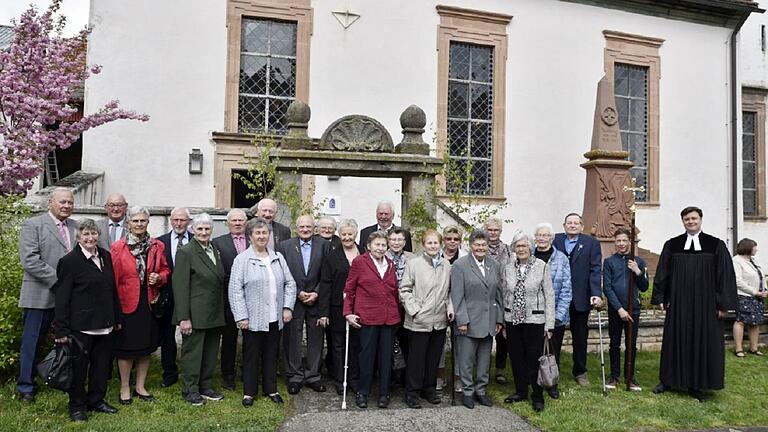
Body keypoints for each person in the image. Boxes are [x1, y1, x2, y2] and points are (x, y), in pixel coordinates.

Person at [651, 206, 738, 402]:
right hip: (679, 303)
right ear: (682, 222)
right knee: (675, 339)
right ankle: (668, 380)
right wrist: (661, 298)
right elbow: (663, 273)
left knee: (702, 341)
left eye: (694, 218)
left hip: (705, 305)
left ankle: (697, 384)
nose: (690, 222)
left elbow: (724, 276)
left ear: (701, 219)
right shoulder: (672, 245)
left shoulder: (715, 245)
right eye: (687, 219)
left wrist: (722, 304)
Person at [53, 218, 122, 421]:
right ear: (79, 237)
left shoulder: (106, 257)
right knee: (78, 370)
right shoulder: (69, 262)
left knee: (101, 367)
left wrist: (116, 317)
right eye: (86, 234)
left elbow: (112, 290)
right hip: (81, 327)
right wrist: (61, 330)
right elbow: (62, 297)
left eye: (93, 234)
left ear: (98, 236)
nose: (90, 238)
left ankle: (96, 400)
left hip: (105, 325)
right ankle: (77, 407)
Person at [17, 187, 77, 402]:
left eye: (70, 202)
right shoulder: (34, 225)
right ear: (50, 202)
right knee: (32, 341)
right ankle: (26, 386)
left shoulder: (75, 227)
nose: (67, 206)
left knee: (68, 341)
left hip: (68, 297)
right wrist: (60, 281)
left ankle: (62, 377)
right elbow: (30, 260)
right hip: (40, 293)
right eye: (62, 202)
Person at [229, 218, 296, 406]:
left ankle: (271, 389)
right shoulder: (242, 259)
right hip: (252, 318)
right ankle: (249, 393)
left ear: (269, 235)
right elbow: (235, 290)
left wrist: (287, 307)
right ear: (250, 236)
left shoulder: (277, 257)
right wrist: (241, 316)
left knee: (271, 354)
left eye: (264, 233)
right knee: (251, 355)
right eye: (257, 233)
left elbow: (290, 283)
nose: (261, 236)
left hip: (275, 316)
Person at [111, 206, 170, 405]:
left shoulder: (156, 246)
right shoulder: (118, 248)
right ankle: (125, 387)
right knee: (126, 349)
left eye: (142, 221)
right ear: (128, 223)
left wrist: (159, 277)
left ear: (147, 222)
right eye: (135, 221)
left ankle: (140, 386)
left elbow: (165, 270)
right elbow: (113, 280)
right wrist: (114, 308)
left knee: (146, 348)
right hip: (127, 304)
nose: (139, 224)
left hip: (149, 303)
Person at [173, 213, 227, 406]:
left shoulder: (215, 249)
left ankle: (206, 386)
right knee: (193, 354)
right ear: (192, 230)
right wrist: (184, 317)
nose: (204, 232)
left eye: (207, 229)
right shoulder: (186, 252)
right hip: (194, 314)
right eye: (200, 229)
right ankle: (190, 389)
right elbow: (180, 287)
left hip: (214, 312)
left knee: (210, 352)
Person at [344, 230, 400, 409]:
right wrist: (348, 312)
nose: (381, 248)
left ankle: (384, 393)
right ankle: (363, 392)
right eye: (377, 244)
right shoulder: (360, 262)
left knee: (386, 357)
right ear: (369, 246)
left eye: (384, 245)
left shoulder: (390, 264)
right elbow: (349, 289)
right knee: (366, 357)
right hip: (367, 317)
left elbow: (393, 291)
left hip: (388, 319)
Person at [399, 229, 454, 409]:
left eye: (435, 243)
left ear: (440, 244)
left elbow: (449, 292)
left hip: (439, 320)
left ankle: (428, 389)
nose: (432, 246)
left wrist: (450, 309)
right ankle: (412, 392)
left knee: (433, 358)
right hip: (418, 320)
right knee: (416, 359)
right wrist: (415, 310)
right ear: (423, 245)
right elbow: (404, 290)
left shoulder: (446, 265)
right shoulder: (413, 264)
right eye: (429, 243)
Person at [276, 215, 330, 395]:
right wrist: (298, 291)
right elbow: (282, 273)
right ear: (296, 228)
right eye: (302, 227)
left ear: (314, 228)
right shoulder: (285, 246)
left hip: (316, 299)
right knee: (292, 339)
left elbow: (327, 273)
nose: (305, 229)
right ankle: (295, 376)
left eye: (309, 226)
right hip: (294, 299)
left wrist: (317, 292)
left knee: (316, 339)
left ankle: (313, 375)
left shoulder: (324, 244)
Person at [451, 230, 504, 409]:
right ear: (470, 246)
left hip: (489, 320)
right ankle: (467, 391)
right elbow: (457, 296)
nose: (481, 248)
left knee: (484, 359)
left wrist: (499, 319)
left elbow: (498, 295)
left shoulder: (494, 265)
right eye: (477, 244)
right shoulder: (460, 265)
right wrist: (462, 320)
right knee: (466, 360)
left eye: (484, 245)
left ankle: (480, 390)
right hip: (469, 321)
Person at [502, 232, 554, 412]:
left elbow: (549, 296)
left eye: (524, 246)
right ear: (514, 249)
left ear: (531, 248)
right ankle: (520, 391)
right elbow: (504, 294)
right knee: (516, 357)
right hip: (513, 320)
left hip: (535, 320)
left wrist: (549, 325)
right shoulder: (508, 267)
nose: (521, 249)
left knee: (533, 358)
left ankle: (537, 395)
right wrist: (503, 320)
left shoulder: (542, 266)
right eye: (518, 246)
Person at [553, 213, 602, 386]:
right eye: (569, 223)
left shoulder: (591, 243)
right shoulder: (555, 240)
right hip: (558, 297)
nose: (572, 225)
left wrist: (596, 293)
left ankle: (580, 371)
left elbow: (596, 269)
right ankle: (553, 370)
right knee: (555, 336)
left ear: (581, 226)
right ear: (564, 225)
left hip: (581, 297)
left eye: (576, 223)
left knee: (580, 336)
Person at [319, 219, 363, 395]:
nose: (346, 237)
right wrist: (324, 312)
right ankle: (340, 379)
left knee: (356, 345)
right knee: (338, 346)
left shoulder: (364, 253)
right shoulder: (332, 255)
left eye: (349, 234)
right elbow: (325, 284)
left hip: (361, 307)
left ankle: (353, 378)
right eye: (343, 234)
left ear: (355, 235)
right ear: (339, 235)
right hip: (337, 307)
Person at [602, 228, 649, 391]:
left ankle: (631, 377)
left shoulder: (639, 262)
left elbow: (644, 287)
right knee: (614, 343)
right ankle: (614, 376)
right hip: (616, 310)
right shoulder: (609, 262)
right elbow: (607, 287)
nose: (621, 244)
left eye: (624, 240)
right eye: (618, 241)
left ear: (629, 242)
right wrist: (619, 308)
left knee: (631, 344)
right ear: (615, 242)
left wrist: (637, 272)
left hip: (633, 309)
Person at [532, 222, 572, 399]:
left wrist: (558, 316)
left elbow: (566, 290)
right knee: (533, 350)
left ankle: (552, 383)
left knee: (552, 351)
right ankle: (533, 382)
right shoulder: (529, 256)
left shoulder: (561, 258)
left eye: (545, 235)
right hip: (532, 314)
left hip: (555, 315)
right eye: (539, 235)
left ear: (551, 238)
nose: (542, 238)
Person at [212, 208, 249, 390]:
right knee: (229, 339)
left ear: (245, 222)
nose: (237, 223)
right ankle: (228, 376)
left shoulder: (255, 240)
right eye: (233, 220)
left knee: (251, 339)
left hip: (251, 298)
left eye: (240, 220)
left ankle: (249, 373)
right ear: (228, 223)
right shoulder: (217, 243)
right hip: (227, 298)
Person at [156, 207, 192, 387]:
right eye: (175, 220)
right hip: (167, 296)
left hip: (191, 296)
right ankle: (169, 373)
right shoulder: (159, 243)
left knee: (191, 335)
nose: (178, 223)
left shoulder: (196, 241)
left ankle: (190, 371)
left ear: (189, 222)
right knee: (167, 336)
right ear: (171, 221)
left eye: (182, 220)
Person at [484, 217, 512, 386]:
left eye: (496, 230)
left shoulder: (508, 250)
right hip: (485, 296)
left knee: (503, 336)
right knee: (485, 333)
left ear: (500, 232)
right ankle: (482, 369)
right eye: (490, 230)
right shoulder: (480, 247)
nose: (493, 233)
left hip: (503, 295)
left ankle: (500, 369)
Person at [732, 238, 767, 358]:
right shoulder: (736, 261)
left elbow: (761, 275)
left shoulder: (754, 260)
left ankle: (754, 348)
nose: (756, 249)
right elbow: (737, 281)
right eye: (754, 246)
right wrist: (754, 292)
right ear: (747, 247)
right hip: (744, 296)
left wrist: (764, 289)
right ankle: (738, 349)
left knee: (755, 322)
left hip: (758, 296)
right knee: (741, 321)